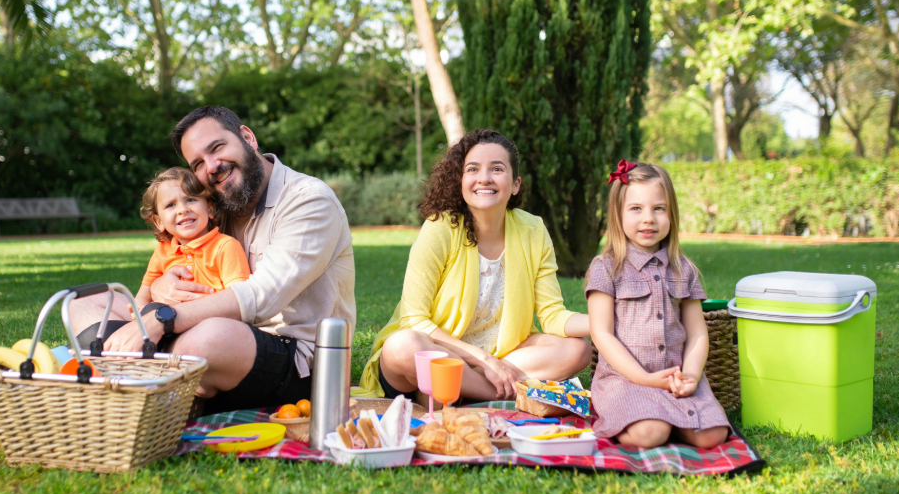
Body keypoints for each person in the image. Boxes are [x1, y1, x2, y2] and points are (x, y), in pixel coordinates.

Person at [71, 106, 356, 414]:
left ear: (247, 137)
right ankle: (157, 376)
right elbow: (181, 257)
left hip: (296, 361)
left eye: (217, 148)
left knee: (209, 338)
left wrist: (161, 319)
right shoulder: (221, 203)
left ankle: (133, 376)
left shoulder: (308, 199)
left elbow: (259, 298)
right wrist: (161, 288)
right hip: (200, 335)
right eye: (198, 163)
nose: (212, 166)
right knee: (84, 304)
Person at [354, 129, 591, 402]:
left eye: (497, 169)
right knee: (402, 345)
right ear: (461, 180)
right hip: (440, 353)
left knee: (578, 350)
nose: (484, 178)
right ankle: (500, 396)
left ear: (515, 184)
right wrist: (486, 361)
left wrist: (601, 323)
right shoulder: (440, 228)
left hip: (501, 357)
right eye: (473, 169)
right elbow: (414, 321)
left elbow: (552, 315)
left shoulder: (533, 231)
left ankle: (455, 392)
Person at [584, 160, 729, 449]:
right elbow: (602, 335)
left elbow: (698, 333)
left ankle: (670, 419)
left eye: (658, 209)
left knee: (713, 436)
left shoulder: (684, 269)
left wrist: (689, 376)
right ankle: (652, 419)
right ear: (618, 215)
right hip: (626, 380)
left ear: (671, 214)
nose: (648, 218)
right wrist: (645, 379)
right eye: (636, 209)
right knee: (650, 434)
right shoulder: (606, 268)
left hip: (676, 377)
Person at [74, 167, 250, 349]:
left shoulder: (225, 246)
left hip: (202, 328)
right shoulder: (163, 250)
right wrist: (140, 314)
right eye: (170, 205)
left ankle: (132, 353)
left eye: (190, 199)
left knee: (154, 311)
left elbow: (238, 302)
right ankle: (110, 350)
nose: (182, 210)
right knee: (92, 324)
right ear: (159, 222)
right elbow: (143, 296)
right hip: (158, 326)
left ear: (210, 208)